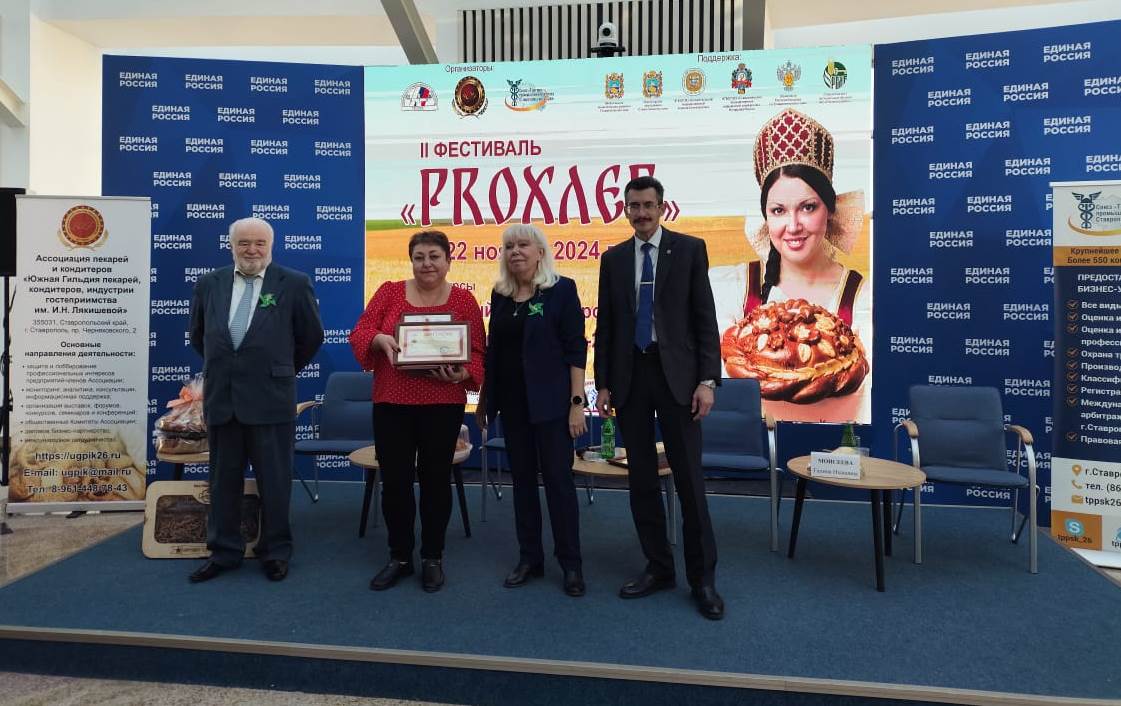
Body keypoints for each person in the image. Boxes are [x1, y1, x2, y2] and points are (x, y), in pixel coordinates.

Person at [594, 175, 725, 620]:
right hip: (630, 379)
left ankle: (702, 579)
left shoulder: (688, 250)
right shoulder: (613, 259)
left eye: (648, 205)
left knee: (689, 482)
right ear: (625, 210)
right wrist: (603, 383)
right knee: (642, 483)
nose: (641, 213)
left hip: (679, 382)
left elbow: (705, 319)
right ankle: (659, 567)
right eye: (634, 206)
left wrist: (708, 381)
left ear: (662, 207)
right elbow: (607, 327)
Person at [187, 217, 324, 583]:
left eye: (259, 243)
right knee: (222, 483)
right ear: (231, 245)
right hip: (223, 401)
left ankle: (275, 551)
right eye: (244, 243)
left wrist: (278, 369)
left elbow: (311, 337)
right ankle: (224, 551)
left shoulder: (293, 283)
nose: (251, 250)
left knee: (275, 483)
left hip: (271, 400)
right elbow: (199, 336)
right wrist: (230, 369)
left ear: (271, 246)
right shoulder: (209, 283)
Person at [709, 108, 870, 418]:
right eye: (779, 210)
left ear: (830, 210)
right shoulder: (733, 288)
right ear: (765, 216)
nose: (793, 226)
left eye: (808, 207)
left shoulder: (861, 298)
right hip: (749, 444)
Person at [349, 231, 485, 593]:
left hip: (443, 405)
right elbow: (361, 331)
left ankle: (432, 557)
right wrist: (378, 339)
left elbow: (478, 353)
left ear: (448, 261)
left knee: (436, 481)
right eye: (419, 257)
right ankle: (400, 556)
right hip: (392, 403)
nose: (427, 264)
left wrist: (463, 373)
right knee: (395, 482)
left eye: (434, 256)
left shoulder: (464, 300)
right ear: (411, 261)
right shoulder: (390, 292)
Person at [476, 224, 587, 597]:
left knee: (558, 483)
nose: (515, 252)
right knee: (522, 483)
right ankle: (530, 558)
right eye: (509, 246)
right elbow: (494, 352)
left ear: (540, 252)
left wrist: (577, 404)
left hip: (553, 406)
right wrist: (485, 400)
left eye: (523, 245)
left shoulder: (561, 290)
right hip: (513, 406)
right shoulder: (501, 294)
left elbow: (575, 350)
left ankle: (571, 564)